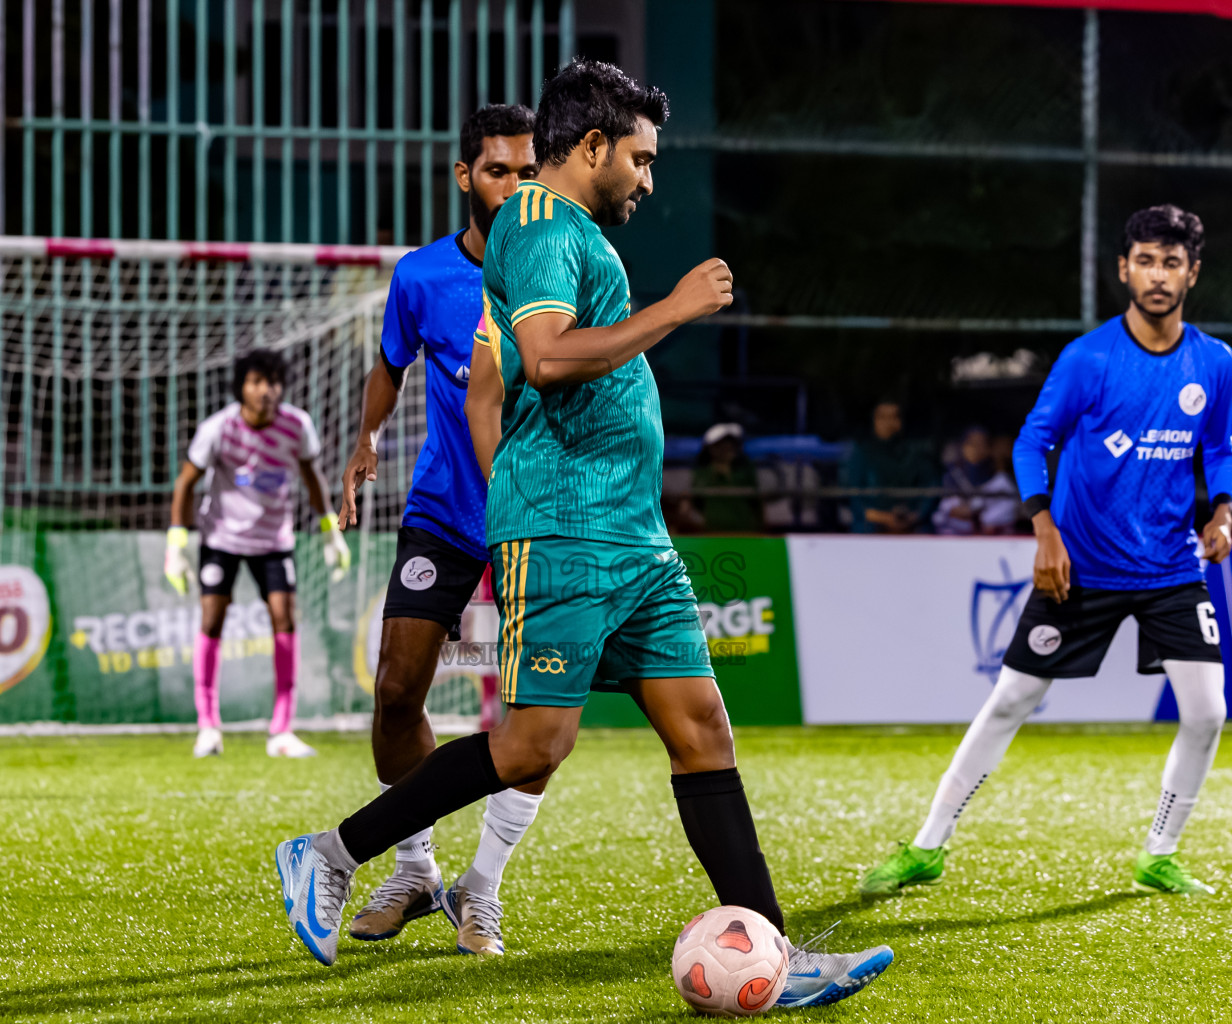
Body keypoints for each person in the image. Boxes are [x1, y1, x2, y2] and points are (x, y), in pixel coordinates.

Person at [274, 58, 894, 1007]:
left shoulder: (572, 234)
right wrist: (674, 310)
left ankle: (776, 949)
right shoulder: (535, 222)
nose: (647, 179)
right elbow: (547, 358)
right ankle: (330, 853)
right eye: (640, 159)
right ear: (594, 145)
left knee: (703, 730)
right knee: (531, 747)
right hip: (564, 528)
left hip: (632, 536)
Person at [861, 204, 1232, 897]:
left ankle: (1159, 853)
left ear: (1192, 273)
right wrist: (1045, 530)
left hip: (1170, 568)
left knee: (1208, 712)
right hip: (1082, 567)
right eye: (1146, 261)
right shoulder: (1089, 358)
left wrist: (1222, 510)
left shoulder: (1214, 362)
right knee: (1011, 700)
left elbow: (1219, 446)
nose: (1158, 275)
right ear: (1124, 269)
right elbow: (1033, 441)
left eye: (1172, 262)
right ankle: (927, 846)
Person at [336, 104, 544, 956]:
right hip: (445, 511)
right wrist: (366, 438)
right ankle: (416, 867)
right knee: (396, 692)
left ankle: (480, 888)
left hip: (535, 519)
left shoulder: (561, 271)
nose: (516, 186)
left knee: (540, 718)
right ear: (466, 176)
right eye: (499, 171)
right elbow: (391, 364)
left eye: (528, 171)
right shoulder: (421, 276)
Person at [165, 348, 349, 759]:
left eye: (273, 382)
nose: (266, 390)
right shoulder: (218, 428)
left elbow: (312, 476)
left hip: (274, 542)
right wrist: (176, 543)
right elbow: (185, 483)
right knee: (211, 620)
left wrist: (329, 531)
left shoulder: (297, 425)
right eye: (256, 382)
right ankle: (208, 727)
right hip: (222, 539)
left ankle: (281, 730)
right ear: (241, 388)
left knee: (284, 619)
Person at [841, 400, 940, 533]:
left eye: (894, 417)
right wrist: (885, 518)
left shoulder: (916, 454)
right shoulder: (862, 454)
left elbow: (930, 489)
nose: (888, 423)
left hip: (912, 525)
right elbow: (855, 499)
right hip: (873, 526)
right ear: (874, 420)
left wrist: (914, 516)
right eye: (882, 417)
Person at [932, 426, 1019, 535]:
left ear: (989, 449)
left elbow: (1008, 510)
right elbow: (944, 510)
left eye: (982, 445)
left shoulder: (1000, 480)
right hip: (955, 537)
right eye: (972, 444)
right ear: (963, 447)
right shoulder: (953, 475)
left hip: (991, 539)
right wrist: (959, 511)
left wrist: (979, 515)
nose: (977, 449)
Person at [683, 422, 763, 534]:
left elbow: (757, 505)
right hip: (713, 534)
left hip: (746, 533)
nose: (728, 448)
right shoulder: (702, 474)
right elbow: (691, 505)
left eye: (731, 444)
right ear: (710, 449)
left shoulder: (746, 471)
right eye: (721, 445)